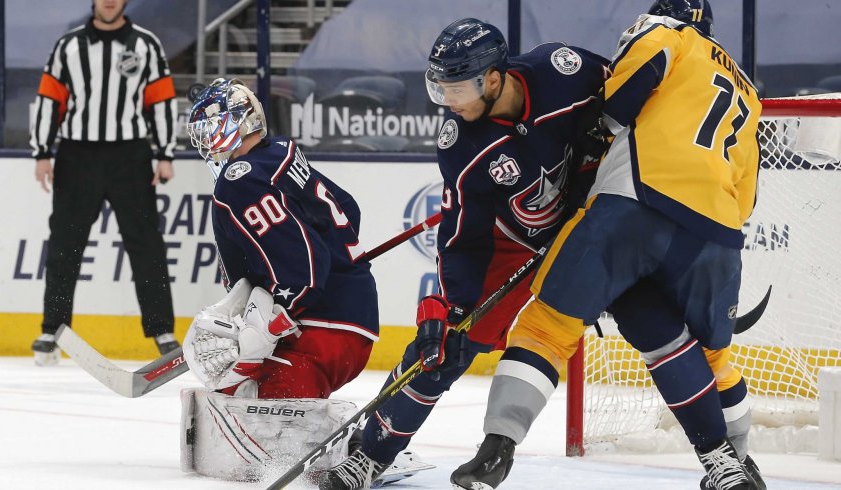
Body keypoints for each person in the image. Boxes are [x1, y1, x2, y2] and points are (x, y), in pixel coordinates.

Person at [451, 1, 765, 489]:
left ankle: (497, 449)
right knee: (707, 353)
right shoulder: (747, 89)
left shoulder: (667, 30)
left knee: (547, 325)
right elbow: (746, 194)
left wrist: (605, 125)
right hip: (718, 232)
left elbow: (644, 65)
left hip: (637, 200)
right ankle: (733, 463)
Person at [320, 18, 611, 490]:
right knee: (442, 350)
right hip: (512, 243)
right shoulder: (461, 145)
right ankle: (370, 454)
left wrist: (606, 131)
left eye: (458, 90)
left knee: (658, 316)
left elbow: (633, 92)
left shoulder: (565, 70)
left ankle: (723, 449)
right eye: (441, 91)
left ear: (494, 78)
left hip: (594, 227)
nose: (449, 104)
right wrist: (453, 307)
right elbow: (464, 238)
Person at [181, 78, 378, 401]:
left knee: (244, 401)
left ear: (240, 122)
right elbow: (348, 209)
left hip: (319, 328)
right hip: (352, 321)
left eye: (213, 129)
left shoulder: (239, 179)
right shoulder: (279, 154)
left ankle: (366, 449)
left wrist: (273, 320)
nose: (208, 142)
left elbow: (305, 264)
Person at [28, 0, 178, 366]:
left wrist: (165, 153)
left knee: (146, 245)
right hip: (77, 156)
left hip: (131, 157)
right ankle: (53, 329)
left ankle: (163, 332)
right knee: (65, 244)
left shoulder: (146, 44)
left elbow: (161, 100)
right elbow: (49, 98)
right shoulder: (68, 46)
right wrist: (42, 152)